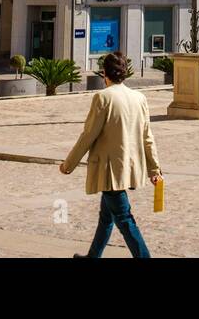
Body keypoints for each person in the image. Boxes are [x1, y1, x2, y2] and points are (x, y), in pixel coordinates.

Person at [60, 51, 161, 258]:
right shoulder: (139, 98)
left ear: (105, 73)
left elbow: (88, 135)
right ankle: (92, 256)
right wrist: (154, 169)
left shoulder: (103, 97)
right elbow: (147, 136)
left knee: (124, 219)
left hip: (110, 170)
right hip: (130, 167)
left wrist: (68, 164)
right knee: (106, 217)